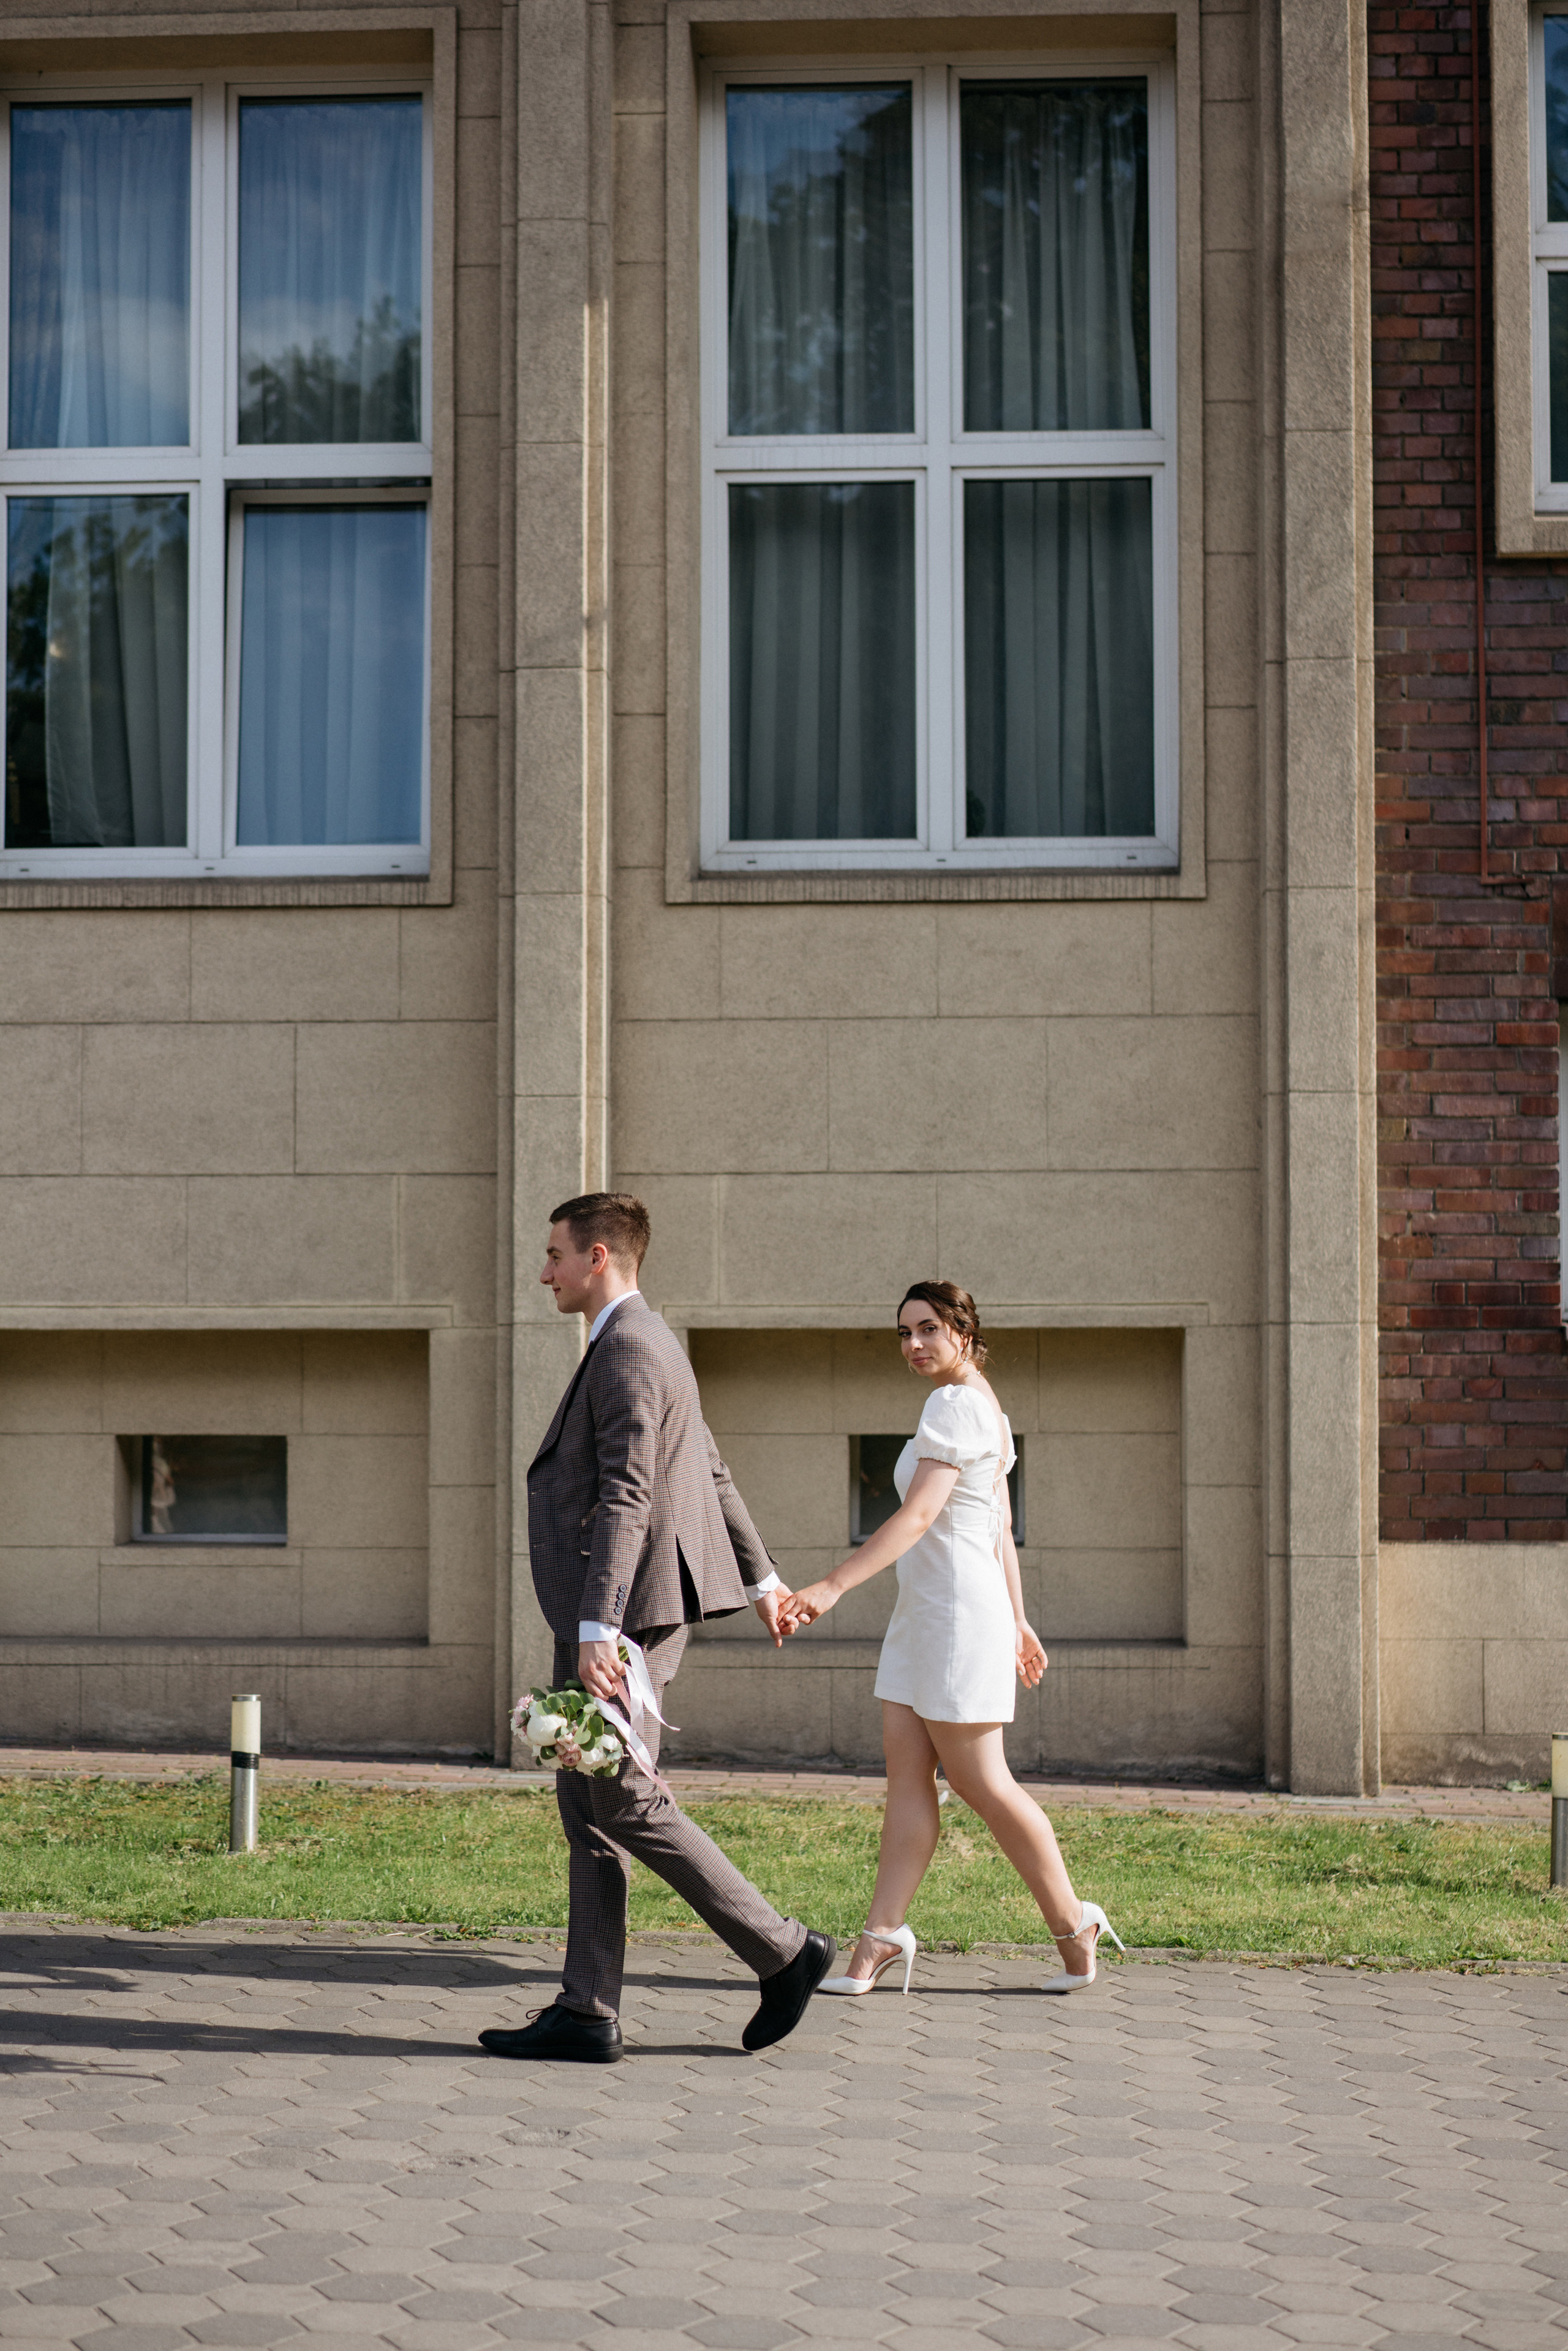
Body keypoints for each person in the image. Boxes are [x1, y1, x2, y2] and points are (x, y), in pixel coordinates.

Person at [478, 1191, 836, 2064]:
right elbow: (708, 1469)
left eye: (555, 1253)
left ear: (598, 1256)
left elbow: (630, 1493)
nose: (545, 1270)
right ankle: (587, 2008)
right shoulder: (648, 1342)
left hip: (625, 1617)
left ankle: (783, 1948)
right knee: (589, 1806)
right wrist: (764, 1577)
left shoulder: (630, 1348)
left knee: (625, 1799)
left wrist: (599, 1625)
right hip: (619, 1612)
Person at [778, 1281, 1122, 1996]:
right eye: (903, 1332)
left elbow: (921, 1515)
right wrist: (1022, 1619)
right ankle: (880, 1937)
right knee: (907, 1780)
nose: (913, 1344)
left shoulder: (959, 1404)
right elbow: (996, 1527)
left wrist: (831, 1587)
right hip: (927, 1616)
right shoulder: (982, 1405)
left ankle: (1072, 1924)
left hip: (959, 1619)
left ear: (963, 1331)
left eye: (928, 1329)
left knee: (981, 1782)